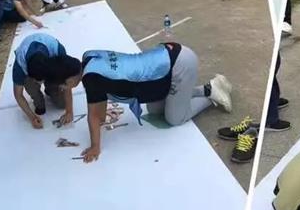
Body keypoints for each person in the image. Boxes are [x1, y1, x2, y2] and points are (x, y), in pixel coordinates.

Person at [78, 45, 233, 163]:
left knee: (175, 118)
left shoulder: (91, 78)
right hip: (167, 56)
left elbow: (96, 116)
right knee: (155, 110)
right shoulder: (88, 57)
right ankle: (204, 90)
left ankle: (211, 92)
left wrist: (95, 147)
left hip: (179, 65)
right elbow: (101, 115)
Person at [12, 33, 81, 128]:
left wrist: (69, 111)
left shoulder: (57, 50)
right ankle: (38, 98)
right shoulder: (20, 64)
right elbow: (18, 95)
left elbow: (67, 80)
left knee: (62, 104)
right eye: (38, 81)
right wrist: (32, 117)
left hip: (50, 62)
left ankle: (50, 90)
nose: (40, 82)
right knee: (37, 100)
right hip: (30, 71)